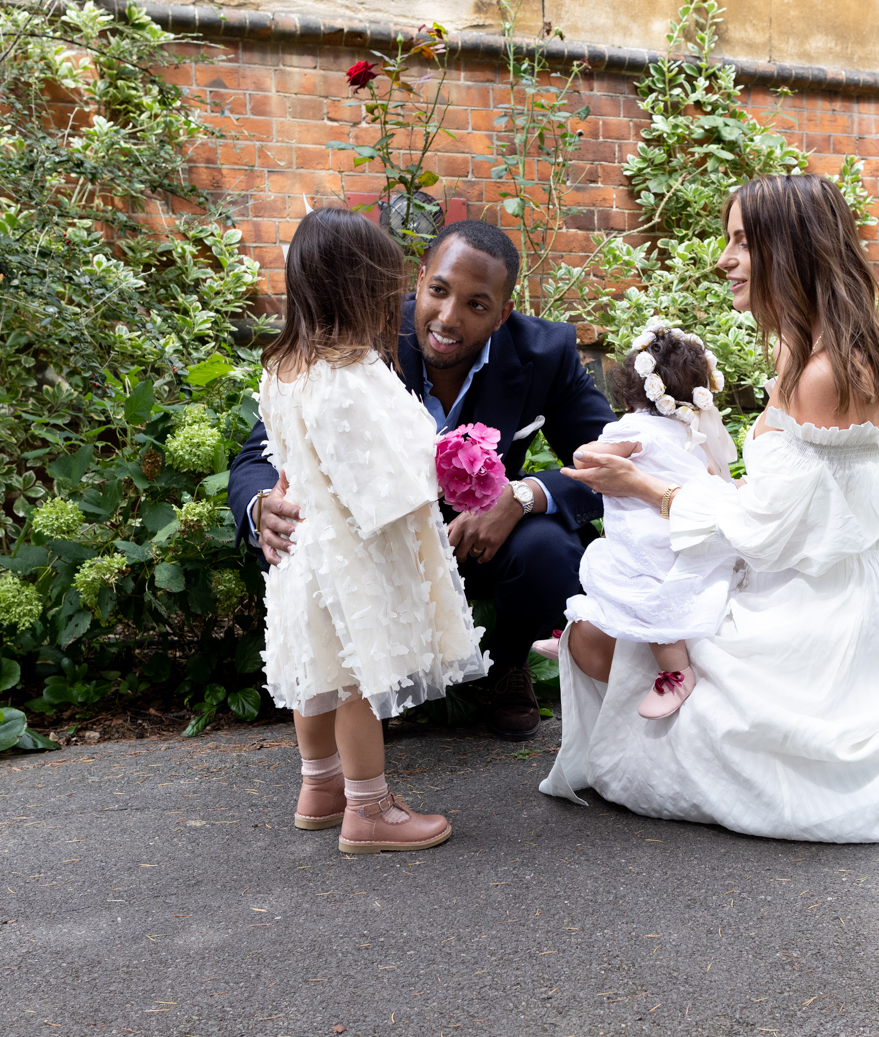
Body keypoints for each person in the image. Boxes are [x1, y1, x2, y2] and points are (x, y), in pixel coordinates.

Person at [543, 173, 879, 843]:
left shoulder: (821, 372)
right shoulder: (835, 351)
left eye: (739, 242)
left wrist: (645, 489)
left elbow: (765, 533)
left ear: (787, 249)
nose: (723, 259)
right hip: (845, 598)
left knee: (595, 634)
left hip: (808, 619)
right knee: (613, 627)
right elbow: (814, 509)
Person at [229, 218, 616, 738]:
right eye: (439, 291)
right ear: (419, 281)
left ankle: (504, 666)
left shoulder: (546, 353)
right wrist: (259, 506)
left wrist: (523, 496)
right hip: (376, 546)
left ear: (502, 315)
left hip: (480, 542)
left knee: (549, 549)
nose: (448, 318)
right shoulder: (359, 333)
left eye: (476, 305)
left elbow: (610, 463)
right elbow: (264, 446)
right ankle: (369, 689)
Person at [252, 208, 486, 853]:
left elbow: (293, 460)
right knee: (356, 678)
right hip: (354, 551)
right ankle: (369, 809)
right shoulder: (353, 375)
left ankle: (320, 786)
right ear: (358, 288)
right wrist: (451, 467)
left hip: (305, 550)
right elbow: (383, 472)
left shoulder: (284, 368)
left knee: (318, 669)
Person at [534, 323, 740, 721]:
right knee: (625, 586)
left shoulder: (633, 429)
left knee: (641, 596)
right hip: (681, 531)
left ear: (630, 391)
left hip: (644, 538)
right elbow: (717, 480)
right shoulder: (691, 434)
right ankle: (581, 633)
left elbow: (584, 458)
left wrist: (592, 450)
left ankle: (676, 673)